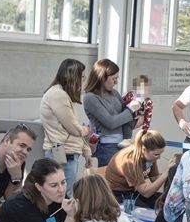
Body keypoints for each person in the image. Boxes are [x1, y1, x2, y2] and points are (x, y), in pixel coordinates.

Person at [40, 58, 93, 196]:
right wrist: (85, 130)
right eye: (81, 77)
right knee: (61, 196)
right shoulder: (58, 95)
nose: (83, 80)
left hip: (67, 152)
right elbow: (74, 129)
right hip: (62, 152)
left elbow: (72, 129)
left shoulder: (62, 94)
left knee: (64, 195)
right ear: (72, 77)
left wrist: (86, 151)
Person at [83, 59, 144, 169]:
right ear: (102, 77)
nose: (116, 82)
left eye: (117, 78)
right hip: (106, 147)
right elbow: (111, 122)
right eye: (114, 79)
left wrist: (137, 118)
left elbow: (124, 120)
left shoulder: (115, 93)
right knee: (110, 182)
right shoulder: (90, 98)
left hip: (123, 143)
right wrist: (130, 110)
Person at [104, 129, 171, 208]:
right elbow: (146, 193)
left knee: (166, 202)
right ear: (144, 150)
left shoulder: (150, 156)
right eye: (156, 154)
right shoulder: (130, 160)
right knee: (146, 210)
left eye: (160, 154)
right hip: (116, 194)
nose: (159, 157)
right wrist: (165, 173)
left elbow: (155, 179)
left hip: (135, 191)